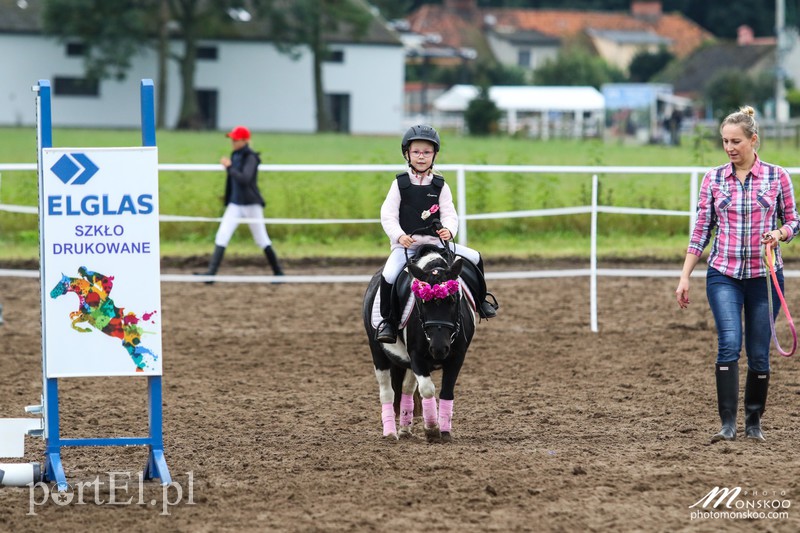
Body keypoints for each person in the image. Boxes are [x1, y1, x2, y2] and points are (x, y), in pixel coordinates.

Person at [676, 106, 799, 443]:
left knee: (759, 351)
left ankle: (753, 423)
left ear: (753, 140)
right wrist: (685, 276)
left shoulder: (778, 177)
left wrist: (781, 234)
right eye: (725, 141)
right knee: (729, 343)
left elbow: (794, 219)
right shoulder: (713, 179)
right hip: (723, 274)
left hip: (765, 277)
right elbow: (701, 230)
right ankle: (727, 424)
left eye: (736, 141)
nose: (729, 148)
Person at [375, 124, 498, 344]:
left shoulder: (441, 186)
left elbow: (450, 214)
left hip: (437, 244)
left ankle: (481, 302)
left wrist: (449, 230)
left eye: (426, 152)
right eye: (416, 152)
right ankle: (388, 322)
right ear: (407, 154)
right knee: (389, 275)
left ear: (434, 155)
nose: (421, 157)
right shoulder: (399, 184)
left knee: (476, 257)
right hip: (407, 246)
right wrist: (399, 235)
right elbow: (388, 215)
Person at [198, 126, 283, 281]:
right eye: (232, 139)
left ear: (245, 141)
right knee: (222, 235)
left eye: (235, 140)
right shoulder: (236, 155)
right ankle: (211, 273)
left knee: (261, 239)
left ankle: (279, 273)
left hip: (251, 204)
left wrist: (229, 167)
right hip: (235, 203)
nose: (232, 142)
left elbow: (245, 178)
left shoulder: (251, 157)